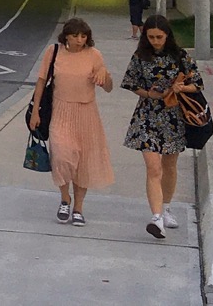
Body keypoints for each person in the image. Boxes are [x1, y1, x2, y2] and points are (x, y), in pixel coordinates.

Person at [121, 15, 203, 239]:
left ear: (168, 36)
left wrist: (180, 89)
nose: (156, 41)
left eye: (160, 37)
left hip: (173, 117)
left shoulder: (180, 56)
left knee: (170, 165)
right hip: (147, 116)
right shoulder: (140, 56)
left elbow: (197, 83)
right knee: (153, 167)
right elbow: (130, 82)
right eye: (151, 37)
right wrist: (148, 93)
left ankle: (166, 207)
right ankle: (156, 217)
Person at [29, 18, 115, 227]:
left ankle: (78, 208)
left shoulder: (94, 55)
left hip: (86, 112)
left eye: (83, 36)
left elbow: (108, 87)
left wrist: (105, 75)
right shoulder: (54, 52)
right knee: (61, 156)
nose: (79, 40)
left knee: (83, 163)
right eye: (75, 35)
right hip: (60, 110)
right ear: (66, 36)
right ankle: (65, 198)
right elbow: (42, 81)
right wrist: (35, 111)